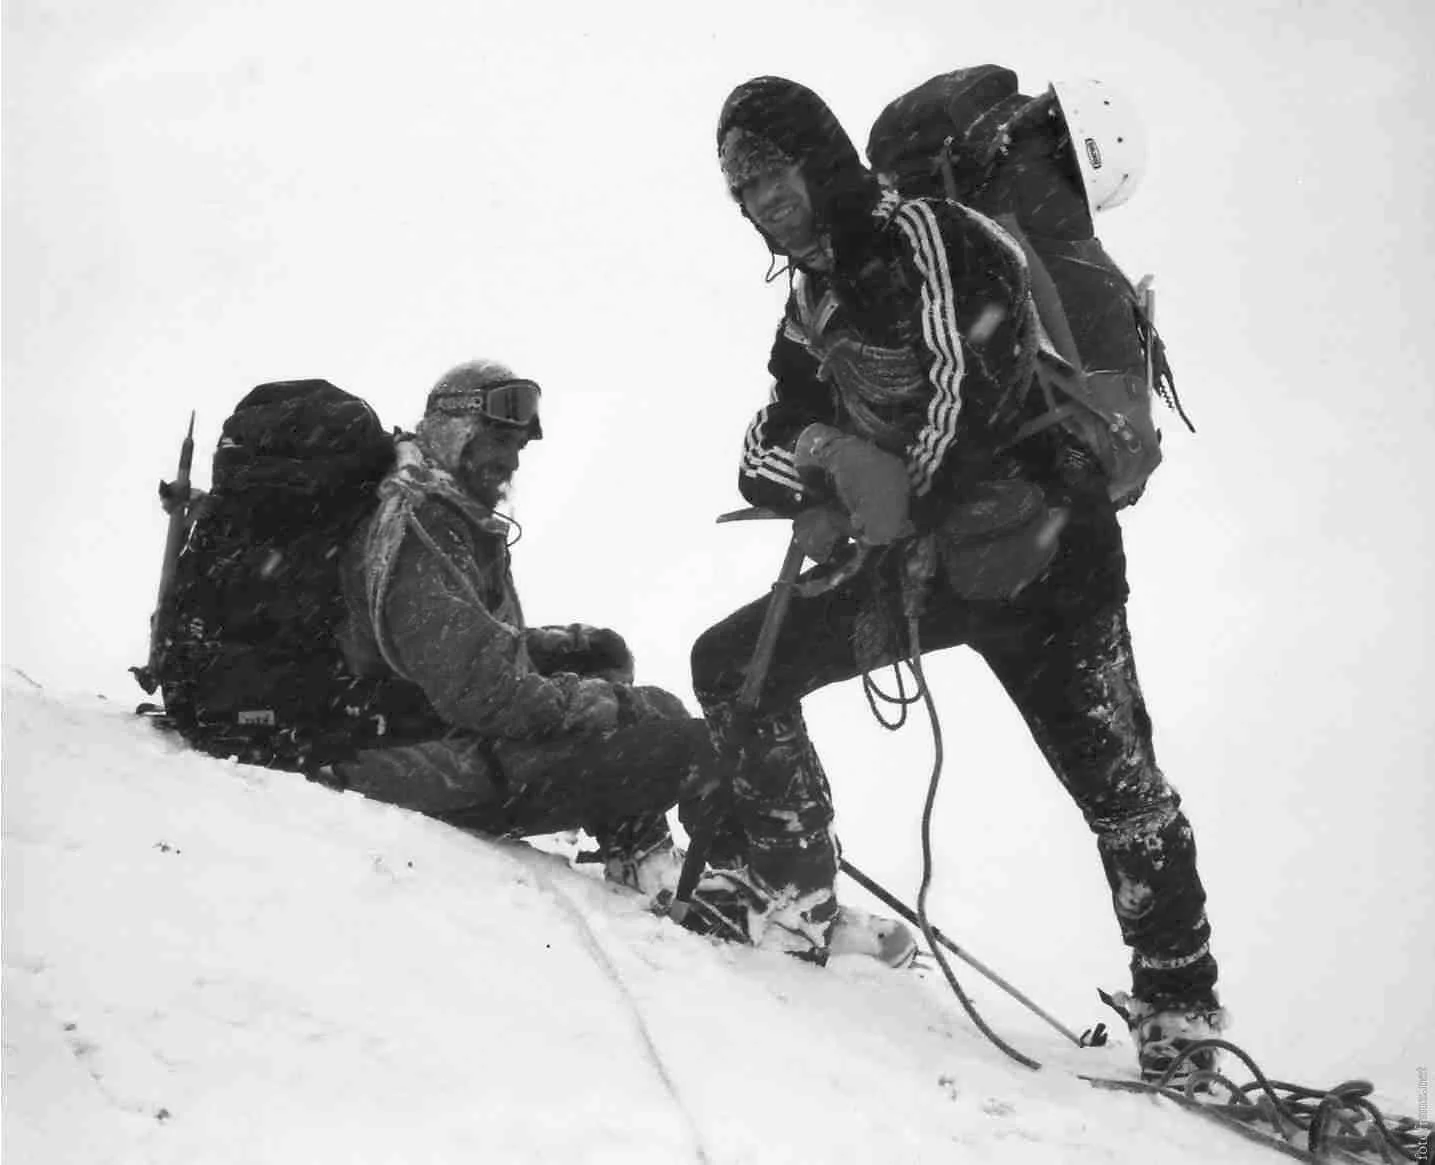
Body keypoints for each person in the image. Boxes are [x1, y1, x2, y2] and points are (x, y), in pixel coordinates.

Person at [689, 76, 1223, 1079]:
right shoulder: (812, 299)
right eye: (740, 187)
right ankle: (794, 899)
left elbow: (964, 402)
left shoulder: (930, 234)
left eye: (769, 172)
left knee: (1116, 785)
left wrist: (881, 485)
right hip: (928, 569)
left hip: (1049, 557)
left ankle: (1182, 1015)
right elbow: (758, 450)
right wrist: (830, 454)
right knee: (731, 667)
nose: (759, 199)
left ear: (820, 160)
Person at [324, 359, 707, 895]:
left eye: (517, 448)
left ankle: (637, 846)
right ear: (455, 431)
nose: (509, 462)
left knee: (600, 655)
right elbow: (480, 693)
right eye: (496, 442)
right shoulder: (420, 524)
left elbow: (464, 650)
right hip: (389, 757)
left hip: (408, 707)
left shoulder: (445, 504)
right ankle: (658, 869)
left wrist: (578, 672)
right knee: (668, 735)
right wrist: (602, 705)